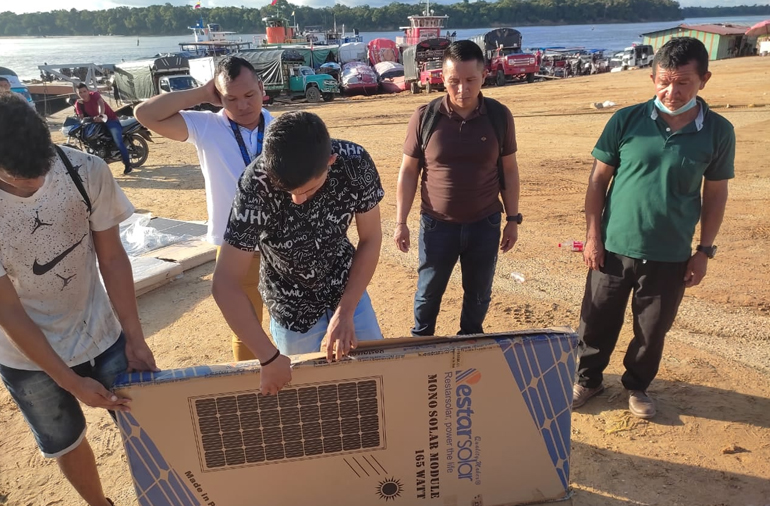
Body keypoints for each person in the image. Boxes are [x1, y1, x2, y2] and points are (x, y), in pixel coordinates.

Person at [0, 94, 158, 505]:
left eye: (42, 168)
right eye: (20, 178)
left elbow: (112, 258)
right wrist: (69, 381)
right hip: (25, 356)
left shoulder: (84, 169)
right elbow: (8, 311)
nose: (37, 183)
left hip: (101, 332)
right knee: (65, 441)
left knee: (147, 422)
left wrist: (134, 337)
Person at [572, 37, 735, 419]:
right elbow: (597, 182)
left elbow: (715, 195)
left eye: (683, 83)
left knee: (652, 330)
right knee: (595, 322)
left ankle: (637, 386)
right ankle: (588, 379)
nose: (671, 92)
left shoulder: (718, 131)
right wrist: (593, 237)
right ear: (652, 78)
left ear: (704, 80)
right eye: (664, 82)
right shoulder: (626, 121)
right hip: (613, 247)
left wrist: (704, 251)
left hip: (670, 252)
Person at [212, 111, 384, 395]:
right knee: (303, 395)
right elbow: (224, 282)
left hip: (345, 284)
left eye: (309, 189)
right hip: (288, 302)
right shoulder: (255, 184)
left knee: (374, 377)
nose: (297, 199)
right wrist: (268, 357)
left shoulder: (355, 162)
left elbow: (371, 238)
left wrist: (346, 311)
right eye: (287, 190)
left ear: (330, 162)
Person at [134, 56, 273, 362]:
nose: (242, 105)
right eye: (230, 98)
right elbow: (144, 114)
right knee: (246, 331)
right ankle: (251, 387)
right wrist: (201, 93)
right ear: (218, 95)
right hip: (236, 248)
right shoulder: (207, 126)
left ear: (262, 88)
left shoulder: (281, 128)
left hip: (281, 244)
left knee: (289, 322)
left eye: (249, 95)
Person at [394, 40, 521, 337]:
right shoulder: (425, 117)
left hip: (485, 224)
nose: (462, 89)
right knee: (428, 293)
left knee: (479, 294)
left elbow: (510, 170)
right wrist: (401, 222)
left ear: (484, 76)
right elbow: (408, 172)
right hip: (437, 226)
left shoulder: (499, 116)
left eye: (470, 80)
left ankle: (470, 342)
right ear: (442, 78)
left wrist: (513, 219)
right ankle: (422, 344)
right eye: (454, 81)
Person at [74, 83, 132, 175]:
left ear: (88, 91)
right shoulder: (78, 103)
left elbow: (101, 104)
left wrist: (101, 115)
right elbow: (80, 117)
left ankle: (128, 165)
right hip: (95, 123)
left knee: (118, 142)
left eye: (84, 91)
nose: (83, 94)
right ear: (77, 93)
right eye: (80, 92)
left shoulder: (94, 95)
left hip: (110, 120)